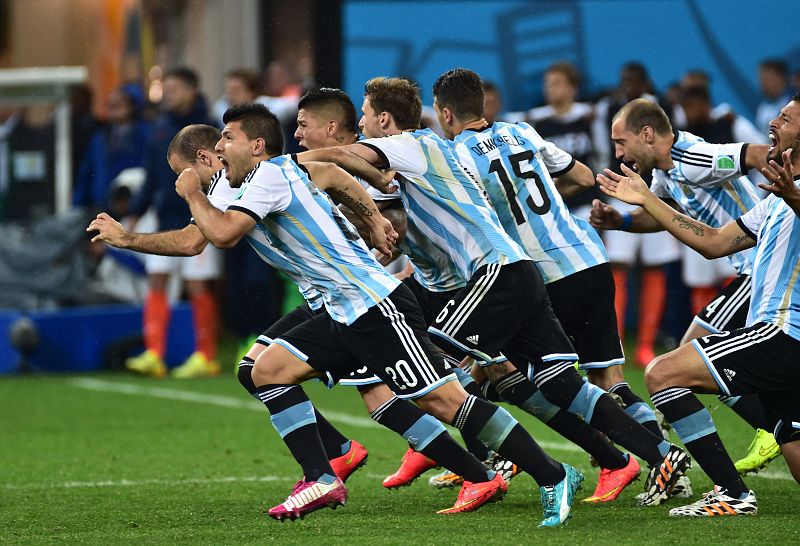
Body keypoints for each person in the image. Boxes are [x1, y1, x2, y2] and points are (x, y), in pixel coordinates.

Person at [90, 106, 583, 527]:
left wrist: (191, 195)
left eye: (229, 137)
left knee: (444, 402)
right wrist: (129, 239)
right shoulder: (241, 185)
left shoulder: (267, 178)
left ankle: (553, 475)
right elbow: (196, 238)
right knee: (266, 371)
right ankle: (323, 476)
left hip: (374, 305)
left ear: (256, 146)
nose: (221, 146)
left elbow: (221, 236)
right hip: (340, 309)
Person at [299, 76, 690, 508]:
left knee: (438, 367)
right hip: (553, 261)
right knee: (559, 383)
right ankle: (657, 453)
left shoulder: (413, 146)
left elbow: (342, 157)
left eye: (367, 116)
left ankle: (500, 465)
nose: (362, 124)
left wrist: (290, 166)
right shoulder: (511, 133)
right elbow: (578, 175)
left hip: (500, 272)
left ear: (390, 119)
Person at [433, 67, 679, 503]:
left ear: (445, 113)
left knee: (516, 375)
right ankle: (661, 459)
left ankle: (512, 459)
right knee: (607, 374)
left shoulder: (456, 156)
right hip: (588, 255)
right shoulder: (521, 132)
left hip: (544, 275)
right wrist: (549, 204)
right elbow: (584, 175)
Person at [594, 95, 800, 516]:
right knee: (787, 432)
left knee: (666, 373)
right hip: (768, 317)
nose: (773, 120)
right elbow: (713, 241)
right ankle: (769, 427)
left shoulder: (696, 157)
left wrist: (791, 189)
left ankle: (727, 490)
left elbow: (750, 156)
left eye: (786, 116)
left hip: (780, 326)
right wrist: (632, 215)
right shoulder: (773, 201)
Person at [126, 67, 221, 379]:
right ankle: (154, 353)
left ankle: (206, 356)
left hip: (201, 212)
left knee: (197, 284)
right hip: (164, 215)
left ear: (192, 90)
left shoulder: (209, 127)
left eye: (175, 88)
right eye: (166, 88)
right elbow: (152, 174)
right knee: (157, 280)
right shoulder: (159, 127)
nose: (169, 94)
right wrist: (138, 209)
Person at [593, 62, 681, 367]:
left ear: (645, 82)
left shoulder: (664, 108)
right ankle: (615, 343)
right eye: (623, 81)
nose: (627, 86)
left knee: (654, 270)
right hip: (620, 191)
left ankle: (645, 345)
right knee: (617, 268)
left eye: (633, 81)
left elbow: (675, 143)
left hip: (659, 192)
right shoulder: (609, 108)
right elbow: (603, 151)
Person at [526, 61, 602, 221]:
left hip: (586, 201)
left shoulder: (589, 116)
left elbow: (602, 155)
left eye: (556, 83)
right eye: (547, 83)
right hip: (553, 205)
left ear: (572, 88)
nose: (549, 88)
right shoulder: (535, 121)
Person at [73, 86, 150, 212]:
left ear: (131, 106)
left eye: (120, 103)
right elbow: (86, 173)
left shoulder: (146, 134)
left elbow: (150, 171)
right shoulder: (100, 138)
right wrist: (77, 205)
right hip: (103, 206)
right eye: (110, 104)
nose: (114, 107)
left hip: (137, 206)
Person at [755, 59, 791, 136]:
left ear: (780, 78)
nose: (762, 83)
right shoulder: (762, 108)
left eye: (766, 78)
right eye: (761, 79)